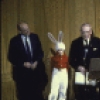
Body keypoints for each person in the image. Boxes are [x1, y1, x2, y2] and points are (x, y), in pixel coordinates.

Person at [8, 22, 48, 100]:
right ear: (20, 31)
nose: (28, 31)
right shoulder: (14, 41)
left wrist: (36, 62)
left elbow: (40, 53)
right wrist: (23, 64)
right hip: (23, 75)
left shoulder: (35, 37)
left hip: (36, 73)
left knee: (38, 95)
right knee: (25, 96)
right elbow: (11, 57)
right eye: (25, 30)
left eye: (28, 29)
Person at [69, 23, 100, 100]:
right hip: (80, 73)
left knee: (93, 94)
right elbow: (71, 59)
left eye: (87, 31)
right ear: (81, 32)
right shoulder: (75, 43)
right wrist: (78, 67)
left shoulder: (98, 42)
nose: (85, 34)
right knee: (81, 94)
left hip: (94, 73)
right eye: (83, 32)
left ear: (91, 32)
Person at [48, 31, 69, 100]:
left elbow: (67, 66)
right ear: (57, 50)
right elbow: (52, 66)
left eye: (62, 50)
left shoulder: (66, 58)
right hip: (56, 72)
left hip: (63, 73)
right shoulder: (54, 58)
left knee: (63, 88)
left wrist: (66, 72)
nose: (60, 52)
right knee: (54, 88)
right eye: (59, 50)